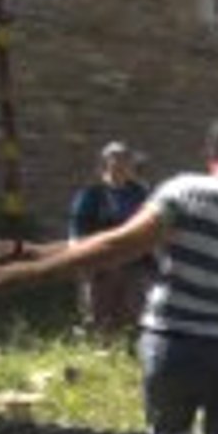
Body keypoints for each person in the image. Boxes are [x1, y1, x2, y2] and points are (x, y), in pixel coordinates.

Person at [0, 117, 218, 434]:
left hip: (176, 347)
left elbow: (118, 245)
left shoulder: (185, 191)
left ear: (209, 153)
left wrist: (35, 270)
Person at [68, 141, 152, 332]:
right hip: (101, 262)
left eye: (125, 162)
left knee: (134, 314)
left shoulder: (139, 193)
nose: (121, 167)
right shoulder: (91, 195)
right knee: (100, 315)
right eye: (115, 161)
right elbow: (77, 229)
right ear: (105, 165)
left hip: (133, 262)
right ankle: (101, 349)